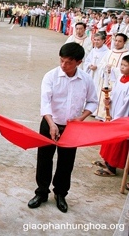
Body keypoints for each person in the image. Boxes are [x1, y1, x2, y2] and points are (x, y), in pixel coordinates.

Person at [28, 42, 98, 213]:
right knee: (44, 159)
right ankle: (42, 192)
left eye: (68, 62)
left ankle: (60, 194)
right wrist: (51, 124)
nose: (63, 65)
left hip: (72, 127)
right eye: (61, 61)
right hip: (49, 122)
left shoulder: (86, 79)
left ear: (79, 62)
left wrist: (81, 118)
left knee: (66, 162)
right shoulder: (51, 76)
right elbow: (45, 102)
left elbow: (93, 101)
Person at [92, 54, 129, 178]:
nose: (122, 67)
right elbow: (115, 93)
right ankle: (107, 162)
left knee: (117, 143)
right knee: (109, 140)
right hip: (114, 114)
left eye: (125, 65)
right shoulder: (120, 79)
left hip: (122, 117)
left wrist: (118, 117)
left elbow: (126, 103)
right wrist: (109, 101)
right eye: (121, 65)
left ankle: (112, 167)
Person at [83, 33, 110, 117]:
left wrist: (97, 67)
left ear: (103, 41)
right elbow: (87, 60)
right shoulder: (93, 50)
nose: (96, 42)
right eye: (95, 40)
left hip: (99, 76)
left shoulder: (107, 52)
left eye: (98, 40)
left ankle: (95, 111)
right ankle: (86, 107)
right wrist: (89, 65)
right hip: (91, 73)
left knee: (97, 91)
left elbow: (106, 64)